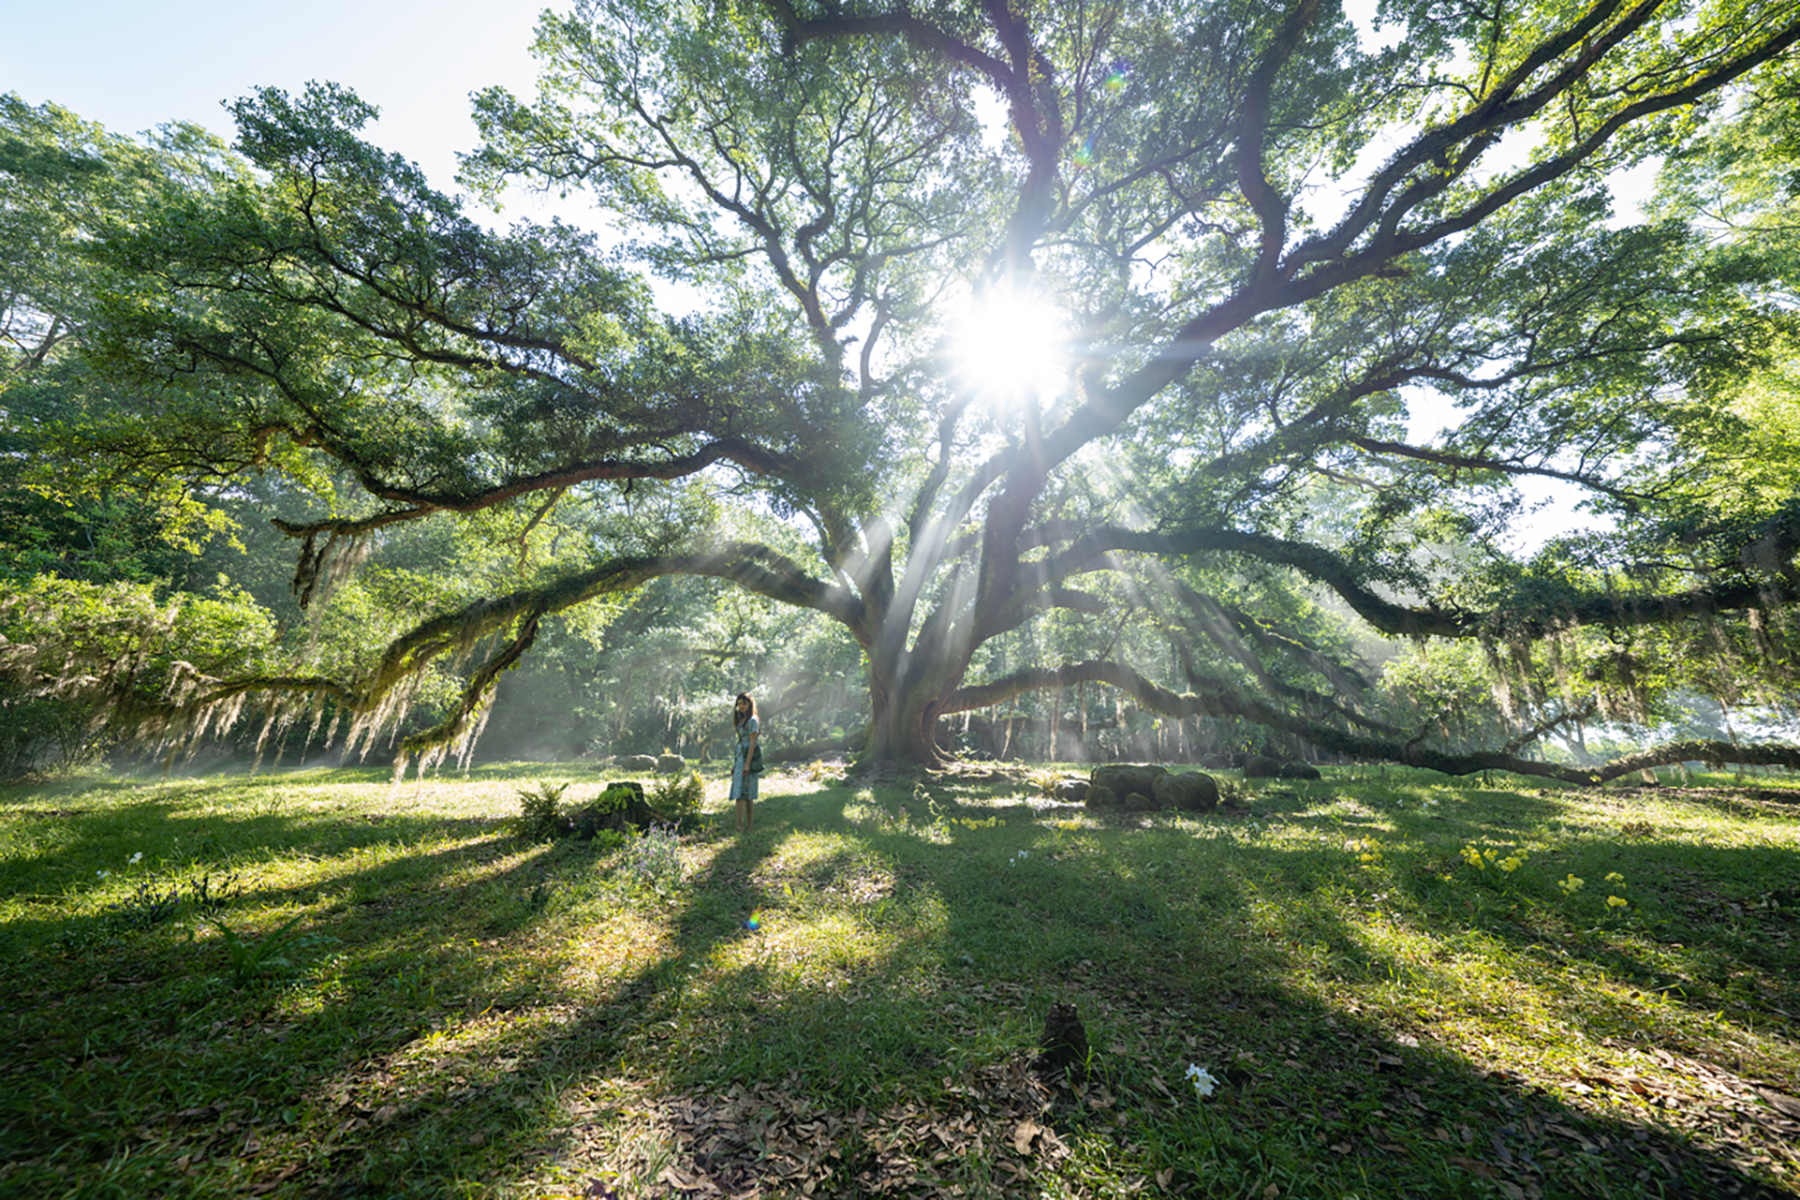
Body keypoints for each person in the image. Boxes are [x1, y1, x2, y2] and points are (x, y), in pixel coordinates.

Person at [729, 692, 760, 831]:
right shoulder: (740, 721)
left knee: (747, 795)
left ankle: (747, 826)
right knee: (739, 793)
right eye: (739, 704)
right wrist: (736, 765)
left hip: (749, 757)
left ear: (750, 705)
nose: (741, 707)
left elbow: (752, 743)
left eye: (744, 704)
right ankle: (740, 826)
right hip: (740, 757)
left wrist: (747, 764)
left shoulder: (753, 721)